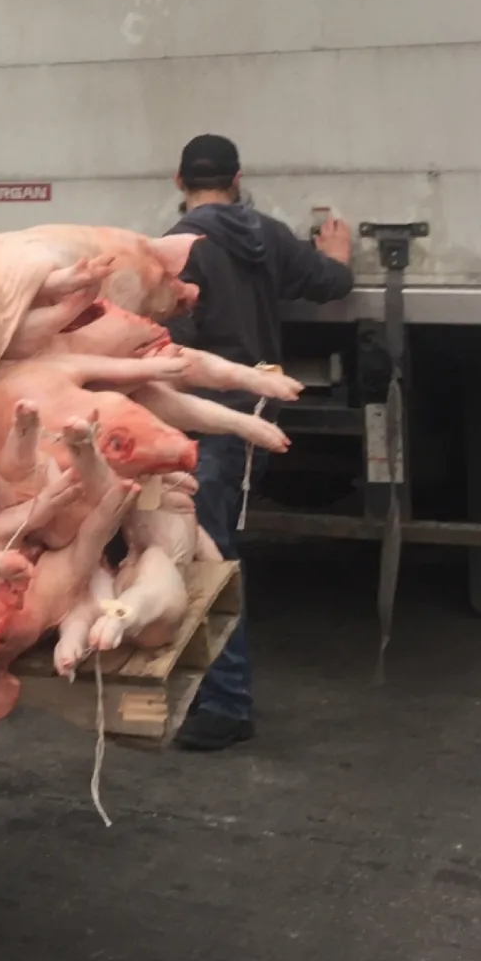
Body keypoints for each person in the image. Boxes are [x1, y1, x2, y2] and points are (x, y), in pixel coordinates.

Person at [165, 133, 354, 752]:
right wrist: (338, 255)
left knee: (209, 560)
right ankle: (212, 693)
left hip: (207, 425)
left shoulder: (180, 248)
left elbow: (172, 347)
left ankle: (226, 705)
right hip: (254, 418)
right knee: (212, 551)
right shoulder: (267, 236)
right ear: (237, 179)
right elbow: (329, 283)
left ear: (179, 182)